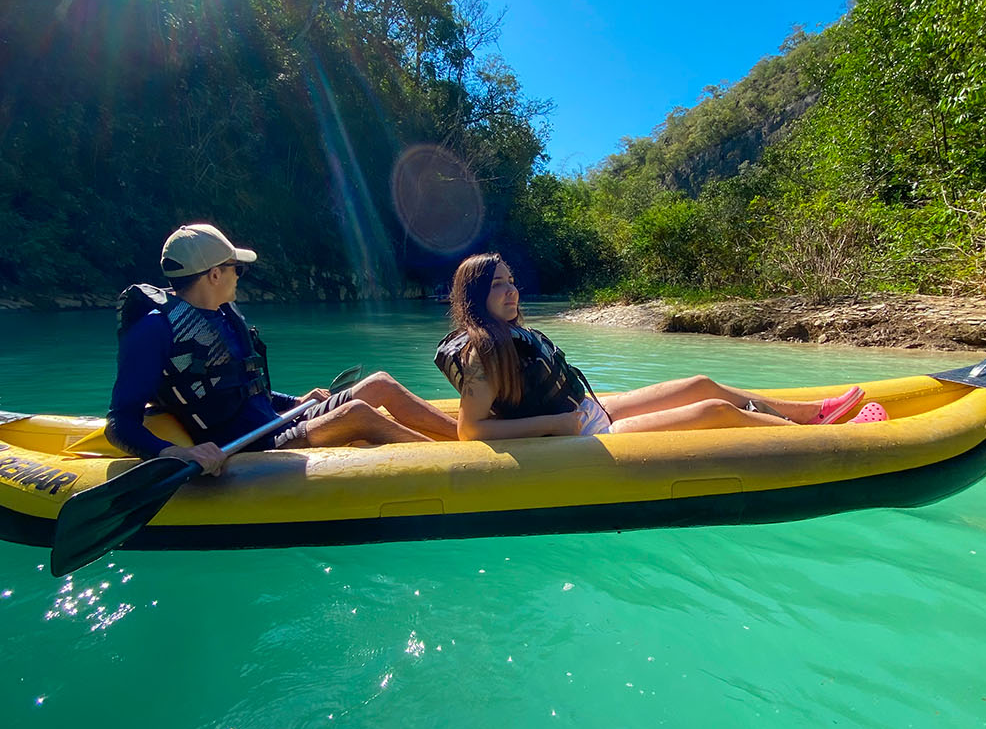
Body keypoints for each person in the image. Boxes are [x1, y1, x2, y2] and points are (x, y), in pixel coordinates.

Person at [107, 223, 457, 473]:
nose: (240, 275)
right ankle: (452, 465)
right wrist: (175, 453)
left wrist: (295, 402)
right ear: (214, 275)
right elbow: (120, 423)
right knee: (357, 413)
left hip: (273, 422)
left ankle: (465, 440)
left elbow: (242, 387)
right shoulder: (154, 330)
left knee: (379, 383)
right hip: (252, 444)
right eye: (236, 268)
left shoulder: (222, 315)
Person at [435, 253, 888, 440]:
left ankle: (808, 411)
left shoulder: (511, 336)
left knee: (700, 383)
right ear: (476, 296)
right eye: (499, 286)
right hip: (584, 435)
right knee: (715, 411)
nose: (512, 292)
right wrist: (557, 424)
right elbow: (471, 431)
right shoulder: (482, 354)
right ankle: (819, 438)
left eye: (512, 282)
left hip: (591, 413)